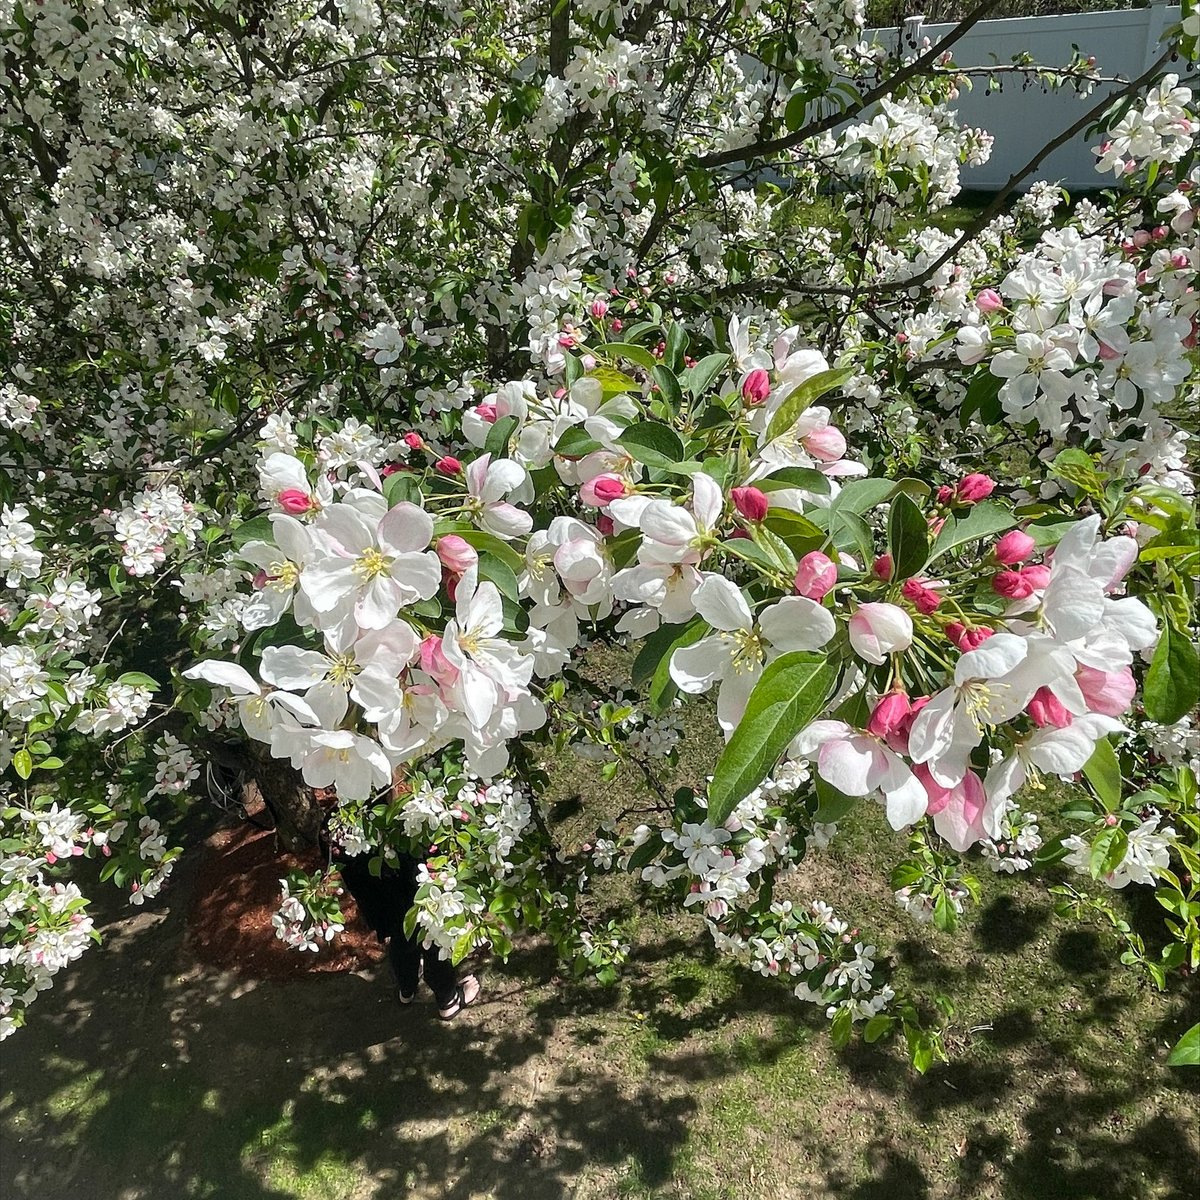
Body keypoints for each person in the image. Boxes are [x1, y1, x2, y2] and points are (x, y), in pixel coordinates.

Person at [332, 844, 481, 1020]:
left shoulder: (339, 831)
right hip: (411, 861)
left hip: (371, 866)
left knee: (399, 930)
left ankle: (406, 989)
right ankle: (448, 1000)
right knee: (434, 932)